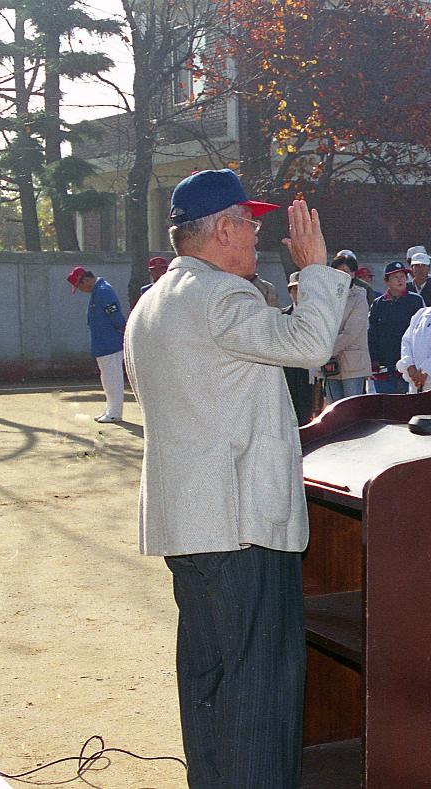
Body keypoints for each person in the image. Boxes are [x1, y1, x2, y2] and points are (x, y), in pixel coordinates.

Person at [124, 169, 349, 787]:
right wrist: (316, 268)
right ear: (223, 229)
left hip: (191, 525)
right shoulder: (221, 296)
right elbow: (308, 344)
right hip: (240, 526)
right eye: (250, 223)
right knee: (259, 690)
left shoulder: (154, 301)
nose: (257, 235)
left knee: (208, 681)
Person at [67, 265, 127, 423]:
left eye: (79, 286)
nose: (80, 290)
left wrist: (123, 333)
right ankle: (111, 409)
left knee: (112, 378)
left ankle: (114, 411)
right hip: (104, 343)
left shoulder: (103, 291)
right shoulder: (98, 291)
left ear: (86, 280)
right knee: (108, 378)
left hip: (110, 343)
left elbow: (115, 316)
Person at [366, 260, 424, 394]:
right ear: (386, 281)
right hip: (384, 367)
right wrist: (373, 359)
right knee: (385, 407)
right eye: (395, 277)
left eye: (403, 276)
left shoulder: (415, 301)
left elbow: (421, 332)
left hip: (408, 365)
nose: (400, 280)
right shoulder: (378, 304)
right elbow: (372, 333)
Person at [321, 250, 372, 401]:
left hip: (353, 364)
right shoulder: (327, 298)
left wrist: (326, 350)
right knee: (333, 411)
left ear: (353, 274)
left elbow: (351, 333)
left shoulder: (359, 297)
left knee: (351, 411)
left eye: (346, 271)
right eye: (338, 271)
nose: (341, 275)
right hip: (330, 365)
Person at [281, 272, 316, 426]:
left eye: (302, 290)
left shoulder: (315, 316)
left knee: (309, 410)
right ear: (290, 293)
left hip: (310, 369)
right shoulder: (282, 316)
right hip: (289, 369)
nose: (298, 294)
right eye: (294, 290)